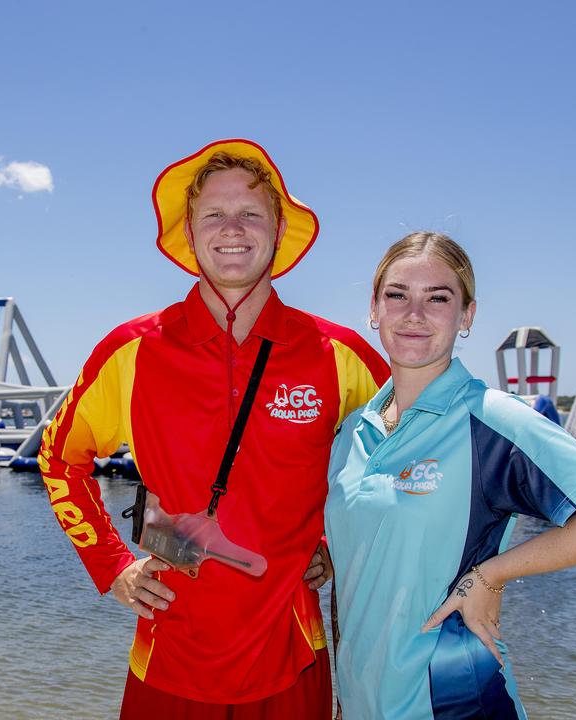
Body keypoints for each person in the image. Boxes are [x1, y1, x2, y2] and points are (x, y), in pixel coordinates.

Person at [38, 138, 388, 717]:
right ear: (190, 232)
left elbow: (393, 467)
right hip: (169, 646)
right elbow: (59, 458)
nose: (233, 228)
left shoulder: (338, 353)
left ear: (278, 231)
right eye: (215, 214)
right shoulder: (132, 350)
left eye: (251, 213)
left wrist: (336, 545)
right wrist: (113, 565)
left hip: (292, 650)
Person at [325, 232, 576, 719]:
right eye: (397, 295)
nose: (414, 313)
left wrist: (492, 574)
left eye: (438, 298)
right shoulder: (352, 431)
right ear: (374, 309)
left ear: (467, 316)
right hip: (361, 701)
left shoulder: (494, 420)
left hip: (454, 701)